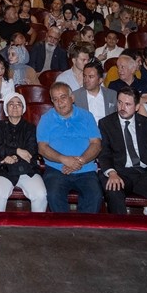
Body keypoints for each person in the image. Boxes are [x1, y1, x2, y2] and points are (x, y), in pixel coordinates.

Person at [97, 88, 147, 215]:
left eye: (127, 104)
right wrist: (111, 173)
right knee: (113, 189)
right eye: (120, 102)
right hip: (119, 171)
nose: (122, 107)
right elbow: (104, 153)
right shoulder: (106, 124)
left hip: (144, 172)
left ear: (137, 107)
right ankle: (120, 231)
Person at [37, 82, 103, 213]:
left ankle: (84, 231)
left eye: (63, 97)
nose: (60, 102)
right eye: (55, 99)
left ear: (72, 98)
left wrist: (80, 161)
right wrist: (64, 159)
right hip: (57, 170)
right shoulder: (46, 119)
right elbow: (42, 148)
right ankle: (64, 231)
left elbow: (96, 144)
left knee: (95, 195)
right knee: (54, 194)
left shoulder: (86, 116)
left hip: (86, 169)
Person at [0, 93, 47, 212]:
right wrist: (17, 151)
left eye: (18, 104)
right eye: (11, 104)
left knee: (40, 195)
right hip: (3, 169)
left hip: (26, 169)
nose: (15, 107)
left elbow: (31, 150)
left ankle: (37, 229)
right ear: (6, 108)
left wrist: (13, 157)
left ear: (23, 109)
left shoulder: (30, 128)